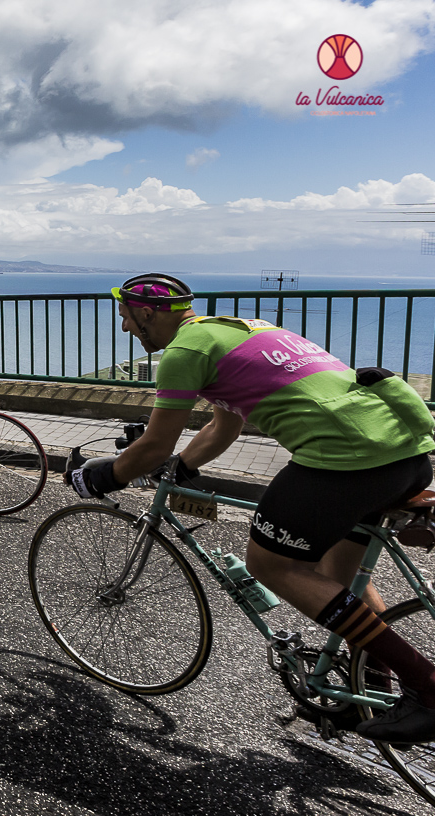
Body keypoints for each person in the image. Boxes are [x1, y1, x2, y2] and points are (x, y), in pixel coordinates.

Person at [65, 272, 435, 744]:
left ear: (146, 311)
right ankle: (369, 689)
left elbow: (154, 443)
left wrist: (100, 476)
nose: (124, 329)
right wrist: (182, 469)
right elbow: (224, 426)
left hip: (344, 462)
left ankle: (426, 686)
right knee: (341, 578)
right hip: (404, 454)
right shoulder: (238, 329)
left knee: (270, 563)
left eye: (124, 317)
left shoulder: (184, 351)